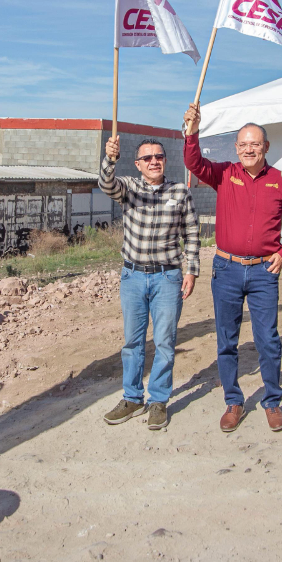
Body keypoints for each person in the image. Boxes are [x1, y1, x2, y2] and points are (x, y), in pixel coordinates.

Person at [184, 103, 282, 433]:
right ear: (236, 148)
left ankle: (272, 401)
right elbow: (193, 162)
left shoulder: (280, 180)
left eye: (255, 144)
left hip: (265, 272)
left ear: (266, 147)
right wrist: (192, 132)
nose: (249, 149)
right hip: (227, 270)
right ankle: (233, 401)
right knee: (227, 339)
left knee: (268, 339)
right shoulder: (224, 174)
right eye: (243, 144)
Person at [98, 135, 200, 430]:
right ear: (138, 164)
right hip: (132, 276)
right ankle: (132, 397)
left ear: (165, 161)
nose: (154, 161)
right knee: (132, 342)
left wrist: (191, 271)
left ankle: (158, 401)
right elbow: (107, 185)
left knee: (165, 342)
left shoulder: (180, 191)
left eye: (159, 156)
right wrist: (109, 160)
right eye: (147, 158)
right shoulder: (129, 188)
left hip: (168, 277)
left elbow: (192, 234)